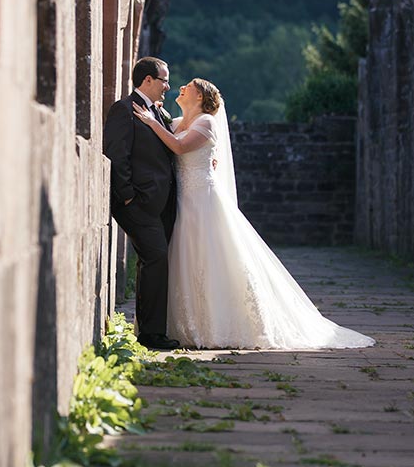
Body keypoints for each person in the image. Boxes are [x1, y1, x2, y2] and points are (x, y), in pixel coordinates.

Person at [133, 78, 375, 350]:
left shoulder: (207, 122)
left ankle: (220, 325)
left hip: (204, 201)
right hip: (183, 201)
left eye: (189, 86)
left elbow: (178, 147)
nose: (182, 88)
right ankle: (187, 324)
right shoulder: (177, 122)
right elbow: (169, 139)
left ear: (200, 97)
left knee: (210, 258)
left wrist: (151, 123)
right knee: (186, 259)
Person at [103, 57, 180, 350]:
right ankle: (151, 334)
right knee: (156, 258)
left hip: (160, 203)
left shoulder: (157, 113)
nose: (168, 86)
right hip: (138, 203)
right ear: (147, 80)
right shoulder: (123, 109)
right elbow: (117, 154)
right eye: (164, 80)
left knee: (154, 263)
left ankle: (148, 331)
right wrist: (128, 196)